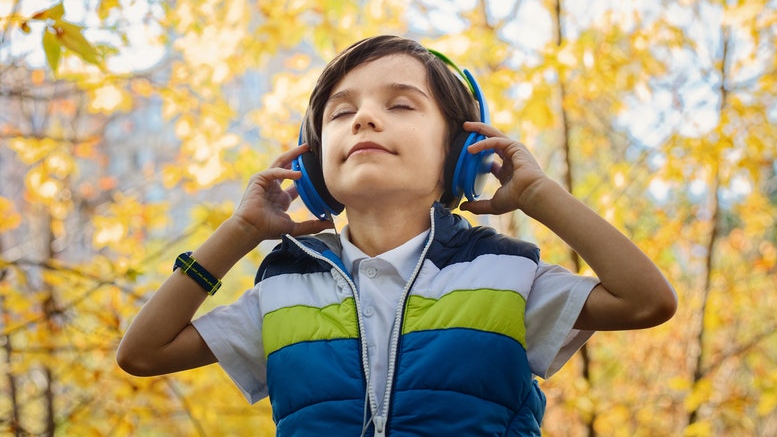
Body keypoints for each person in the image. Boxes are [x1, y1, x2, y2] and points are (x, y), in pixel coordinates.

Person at [117, 35, 677, 437]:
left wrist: (538, 194)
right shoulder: (283, 293)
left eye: (401, 104)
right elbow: (142, 352)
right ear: (314, 168)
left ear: (460, 154)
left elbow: (646, 300)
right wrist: (239, 233)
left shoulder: (505, 277)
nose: (363, 119)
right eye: (341, 113)